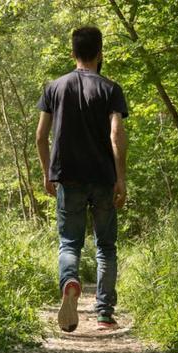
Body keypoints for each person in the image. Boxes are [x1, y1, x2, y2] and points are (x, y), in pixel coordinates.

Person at [36, 26, 128, 333]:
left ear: (73, 53)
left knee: (69, 242)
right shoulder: (110, 88)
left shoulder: (54, 87)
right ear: (100, 53)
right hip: (102, 177)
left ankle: (70, 281)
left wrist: (47, 172)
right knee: (106, 247)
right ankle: (104, 314)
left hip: (68, 176)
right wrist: (121, 178)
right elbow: (116, 134)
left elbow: (40, 137)